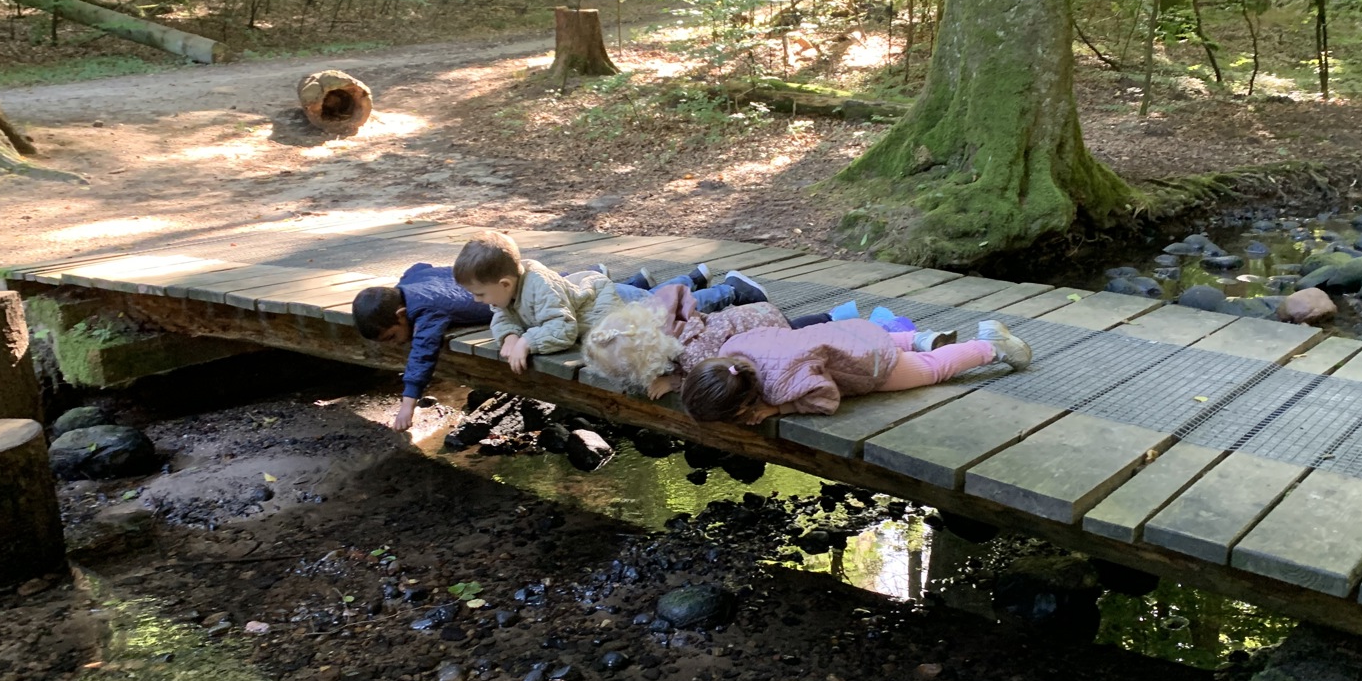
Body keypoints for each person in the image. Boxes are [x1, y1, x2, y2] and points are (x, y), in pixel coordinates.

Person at [452, 229, 769, 374]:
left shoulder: (539, 287)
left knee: (668, 310)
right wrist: (509, 335)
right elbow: (503, 316)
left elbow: (563, 329)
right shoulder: (506, 293)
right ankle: (691, 278)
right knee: (660, 299)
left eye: (480, 294)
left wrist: (527, 342)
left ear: (505, 284)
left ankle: (731, 290)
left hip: (616, 306)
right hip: (602, 303)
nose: (478, 301)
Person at [582, 293, 957, 399]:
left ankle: (887, 326)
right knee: (815, 328)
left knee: (819, 336)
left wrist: (674, 382)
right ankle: (844, 314)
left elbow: (706, 374)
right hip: (752, 319)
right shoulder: (667, 328)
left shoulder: (694, 355)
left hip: (766, 331)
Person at [680, 319, 1032, 424]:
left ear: (744, 405)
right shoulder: (732, 349)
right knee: (883, 340)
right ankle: (918, 338)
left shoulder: (783, 385)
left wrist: (780, 407)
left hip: (870, 363)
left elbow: (826, 398)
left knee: (932, 369)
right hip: (846, 334)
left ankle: (990, 346)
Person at [352, 263, 492, 431]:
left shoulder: (427, 310)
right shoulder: (407, 285)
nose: (393, 344)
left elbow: (423, 355)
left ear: (401, 314)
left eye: (391, 337)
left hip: (498, 296)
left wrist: (407, 407)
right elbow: (419, 267)